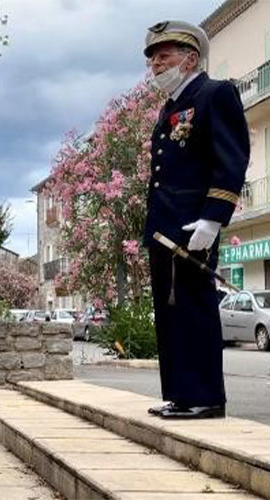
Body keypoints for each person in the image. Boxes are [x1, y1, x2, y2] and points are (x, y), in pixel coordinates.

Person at [142, 21, 249, 419]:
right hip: (164, 226)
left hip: (193, 225)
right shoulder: (169, 108)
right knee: (171, 312)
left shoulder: (214, 94)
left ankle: (205, 397)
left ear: (190, 58)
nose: (155, 63)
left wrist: (213, 219)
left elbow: (231, 159)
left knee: (195, 307)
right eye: (152, 57)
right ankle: (181, 395)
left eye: (163, 55)